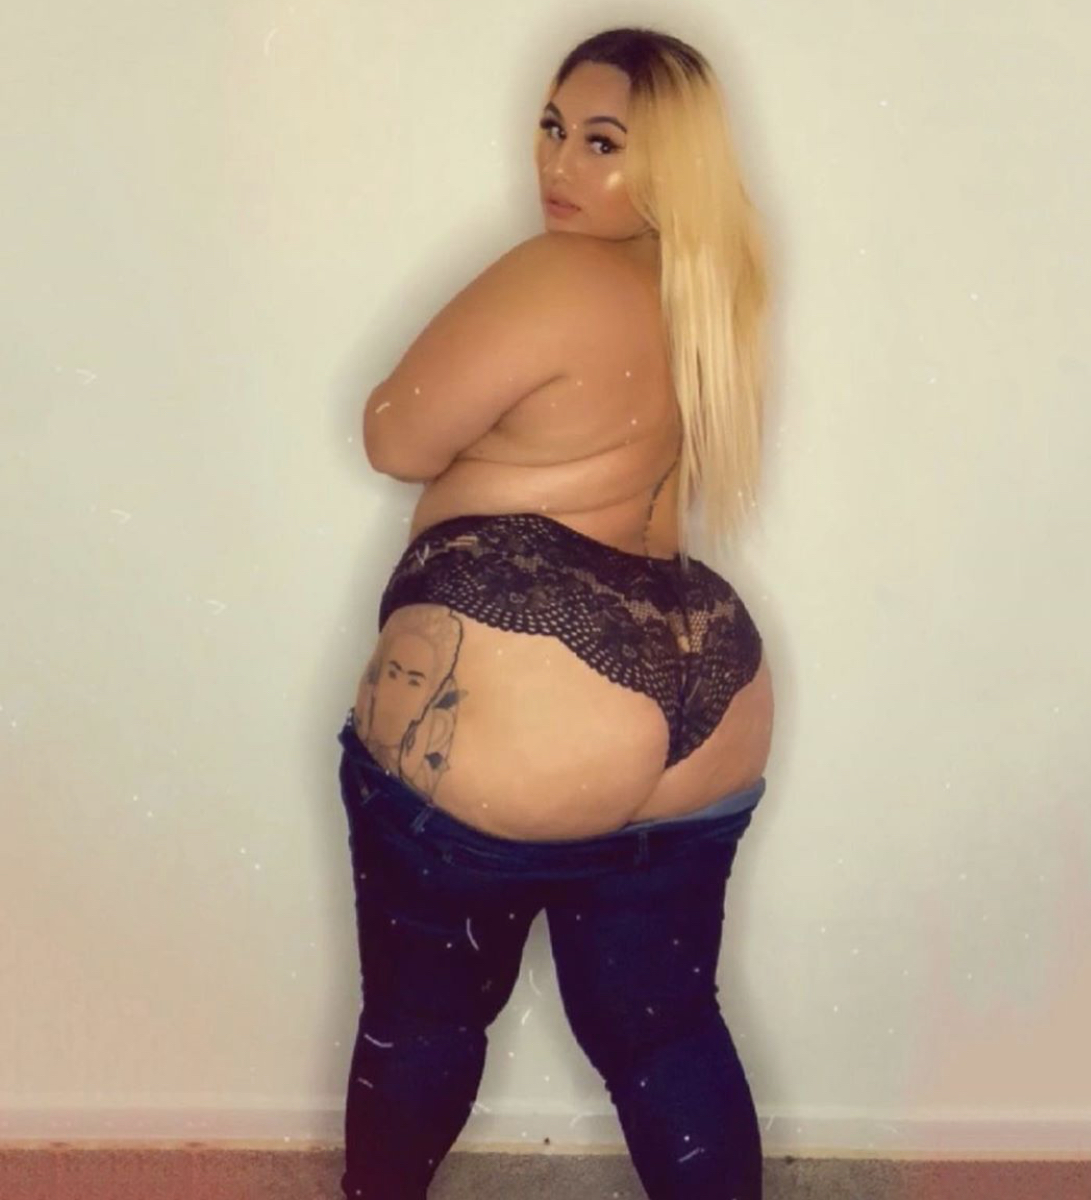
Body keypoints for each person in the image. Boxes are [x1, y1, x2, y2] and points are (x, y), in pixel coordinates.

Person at [335, 25, 774, 1200]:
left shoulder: (557, 275)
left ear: (668, 163)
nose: (559, 164)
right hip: (708, 685)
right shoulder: (709, 290)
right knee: (666, 1034)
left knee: (422, 1023)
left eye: (602, 142)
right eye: (552, 127)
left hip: (532, 687)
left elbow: (393, 436)